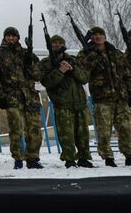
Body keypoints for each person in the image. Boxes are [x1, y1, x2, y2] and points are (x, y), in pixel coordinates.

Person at [77, 26, 131, 167]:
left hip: (121, 98)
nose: (98, 37)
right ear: (91, 38)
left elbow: (127, 74)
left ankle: (129, 156)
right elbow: (83, 71)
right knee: (104, 130)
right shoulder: (85, 53)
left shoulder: (115, 53)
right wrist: (91, 54)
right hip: (102, 98)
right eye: (95, 35)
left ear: (105, 36)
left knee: (125, 129)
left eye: (100, 34)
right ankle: (108, 158)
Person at [0, 27, 43, 169]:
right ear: (4, 37)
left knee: (34, 128)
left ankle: (33, 158)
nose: (11, 38)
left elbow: (37, 75)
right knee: (16, 129)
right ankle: (18, 158)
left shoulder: (26, 53)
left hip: (30, 97)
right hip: (12, 96)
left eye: (13, 36)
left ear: (18, 37)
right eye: (8, 36)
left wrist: (30, 61)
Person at [39, 35, 94, 168]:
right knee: (66, 134)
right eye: (54, 43)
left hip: (79, 102)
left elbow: (84, 77)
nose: (57, 45)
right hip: (62, 103)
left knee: (82, 133)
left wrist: (72, 69)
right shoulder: (46, 63)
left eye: (59, 42)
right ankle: (69, 159)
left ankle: (84, 158)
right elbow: (46, 81)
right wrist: (60, 71)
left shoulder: (73, 60)